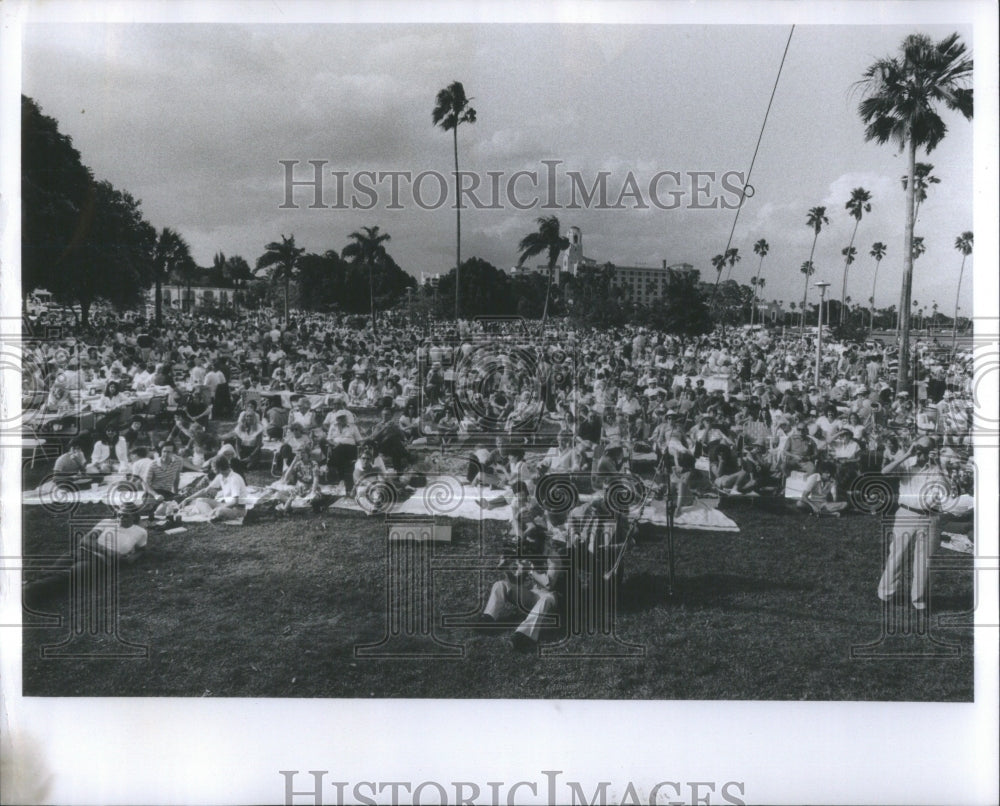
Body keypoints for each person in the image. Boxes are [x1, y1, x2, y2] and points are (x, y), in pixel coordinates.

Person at [22, 503, 148, 608]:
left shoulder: (140, 532)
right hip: (80, 551)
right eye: (119, 514)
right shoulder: (107, 522)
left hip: (98, 561)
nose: (120, 518)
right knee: (52, 571)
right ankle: (25, 590)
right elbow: (85, 541)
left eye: (125, 515)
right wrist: (109, 552)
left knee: (65, 576)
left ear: (134, 516)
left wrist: (131, 559)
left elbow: (142, 549)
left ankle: (26, 592)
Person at [877, 435, 950, 610]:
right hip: (906, 514)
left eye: (926, 449)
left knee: (925, 560)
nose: (921, 453)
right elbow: (884, 472)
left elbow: (947, 492)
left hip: (930, 517)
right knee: (897, 554)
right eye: (919, 448)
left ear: (933, 450)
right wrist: (907, 454)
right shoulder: (906, 463)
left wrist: (938, 464)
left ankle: (919, 600)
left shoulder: (938, 468)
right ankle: (885, 594)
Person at [477, 527, 564, 652]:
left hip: (553, 599)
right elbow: (516, 582)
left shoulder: (553, 558)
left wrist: (530, 569)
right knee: (500, 585)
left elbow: (549, 584)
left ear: (542, 543)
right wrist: (506, 568)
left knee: (546, 598)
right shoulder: (530, 555)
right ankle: (488, 619)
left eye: (533, 544)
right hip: (535, 596)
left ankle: (523, 635)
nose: (530, 548)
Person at [178, 455, 248, 522]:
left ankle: (212, 514)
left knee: (219, 512)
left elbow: (235, 502)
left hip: (238, 509)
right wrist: (187, 499)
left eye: (213, 467)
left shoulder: (234, 479)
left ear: (219, 468)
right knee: (200, 500)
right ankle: (211, 515)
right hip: (226, 505)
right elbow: (205, 490)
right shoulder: (221, 476)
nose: (212, 469)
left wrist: (218, 508)